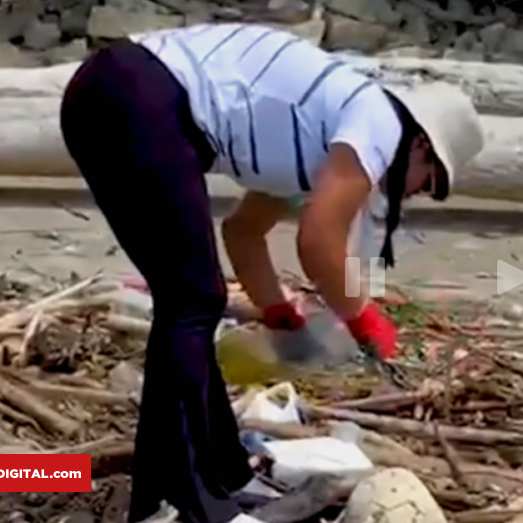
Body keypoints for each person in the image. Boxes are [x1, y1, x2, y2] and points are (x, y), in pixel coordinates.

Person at [58, 20, 484, 523]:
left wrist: (278, 312)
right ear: (420, 147)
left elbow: (244, 231)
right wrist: (365, 322)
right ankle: (192, 499)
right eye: (430, 182)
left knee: (188, 301)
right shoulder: (378, 122)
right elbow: (318, 243)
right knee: (193, 302)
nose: (417, 194)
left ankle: (210, 476)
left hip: (117, 89)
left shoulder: (323, 140)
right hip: (140, 94)